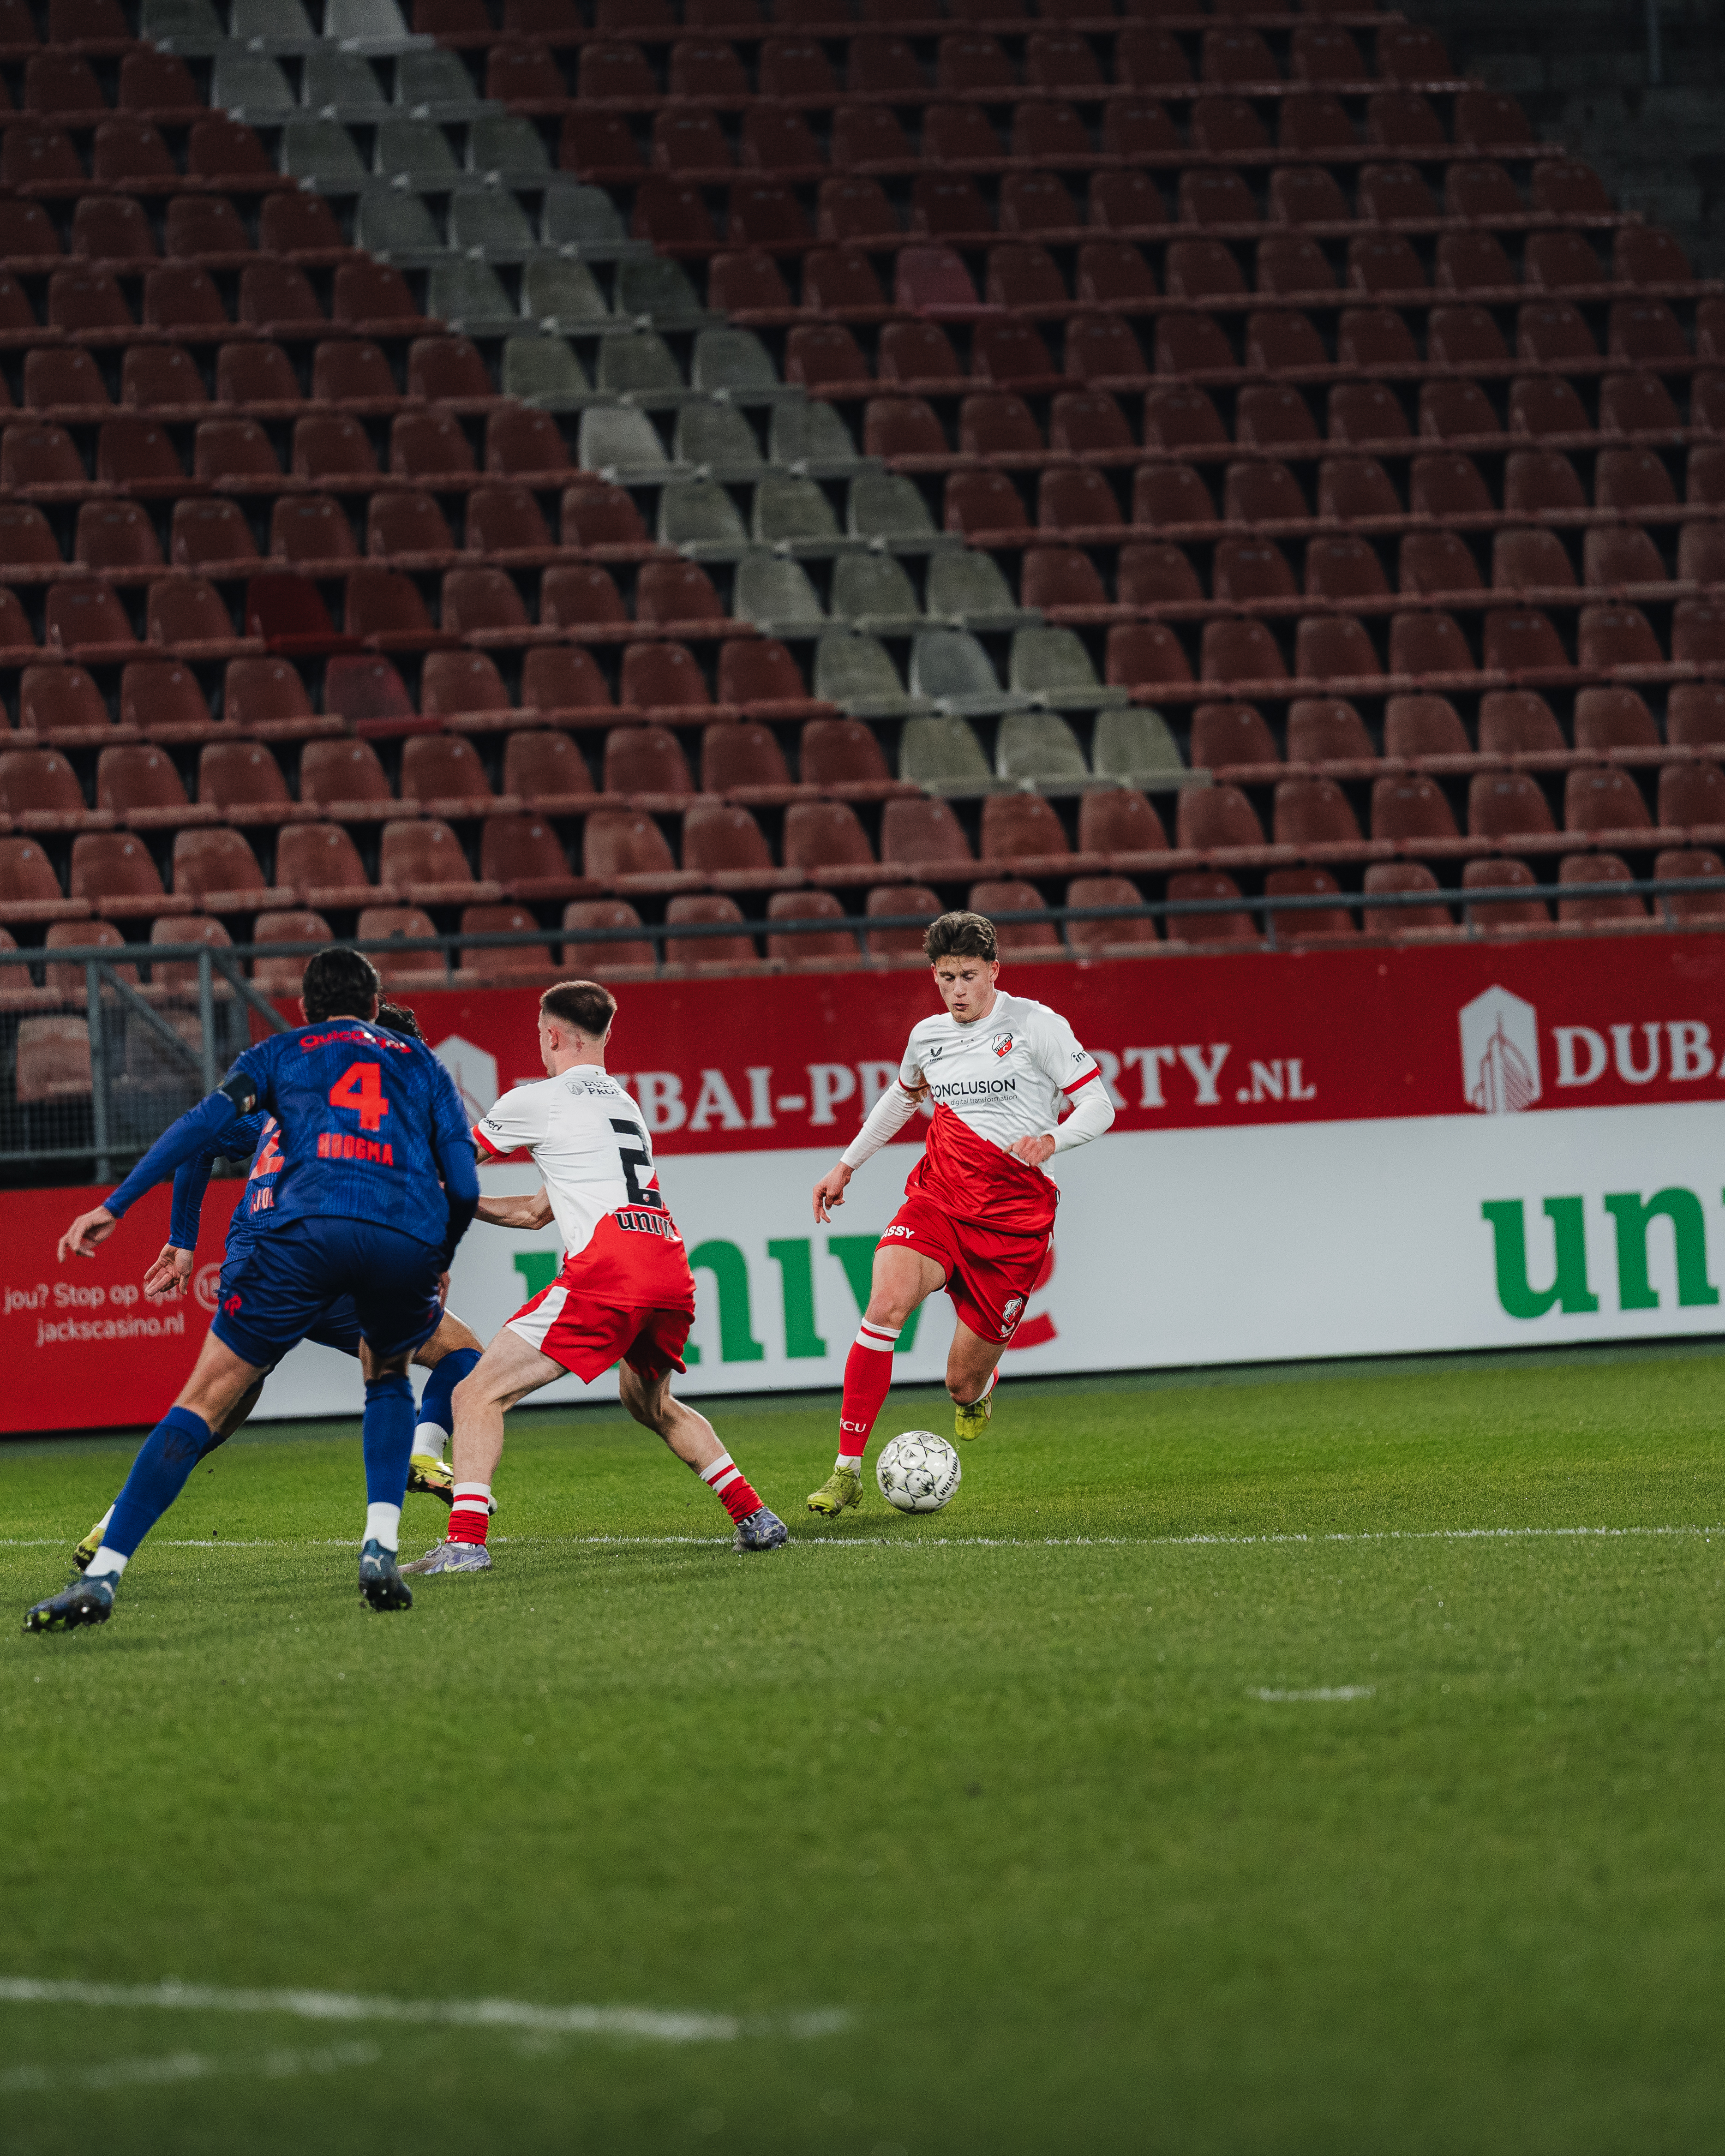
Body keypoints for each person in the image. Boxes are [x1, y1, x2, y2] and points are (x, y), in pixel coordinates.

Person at [24, 948, 479, 1633]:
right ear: (377, 1010)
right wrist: (438, 1255)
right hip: (372, 1251)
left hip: (280, 1256)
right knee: (403, 1372)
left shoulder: (285, 1063)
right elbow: (463, 1185)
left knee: (210, 1407)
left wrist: (131, 1213)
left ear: (305, 1007)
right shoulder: (419, 1071)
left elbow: (200, 1130)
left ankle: (107, 1562)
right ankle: (383, 1539)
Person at [402, 978, 787, 1577]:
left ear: (551, 1035)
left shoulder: (536, 1100)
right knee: (649, 1403)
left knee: (476, 1392)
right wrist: (465, 1202)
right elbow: (535, 1213)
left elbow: (446, 1166)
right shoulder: (624, 1107)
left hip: (611, 1270)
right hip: (667, 1265)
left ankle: (465, 1543)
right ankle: (754, 1515)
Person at [805, 910, 1114, 1518]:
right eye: (945, 978)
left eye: (968, 976)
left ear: (994, 971)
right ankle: (845, 1470)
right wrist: (846, 1166)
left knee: (960, 1383)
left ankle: (980, 1392)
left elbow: (1097, 1104)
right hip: (938, 1200)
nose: (957, 991)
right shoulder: (928, 1037)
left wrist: (1053, 1141)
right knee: (884, 1307)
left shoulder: (1035, 1025)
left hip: (1013, 1222)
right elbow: (902, 1098)